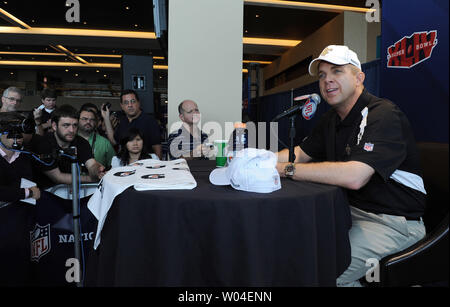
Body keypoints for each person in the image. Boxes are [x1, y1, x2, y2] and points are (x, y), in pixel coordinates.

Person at [275, 45, 426, 287]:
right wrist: (256, 159)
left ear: (359, 78)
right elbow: (299, 154)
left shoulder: (383, 114)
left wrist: (287, 170)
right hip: (351, 213)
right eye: (322, 75)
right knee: (296, 252)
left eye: (337, 71)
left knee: (318, 274)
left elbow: (355, 176)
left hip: (393, 223)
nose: (328, 81)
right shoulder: (332, 118)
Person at [33, 104, 106, 189]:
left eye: (75, 125)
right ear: (54, 126)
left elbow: (91, 164)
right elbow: (58, 177)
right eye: (66, 125)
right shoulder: (44, 143)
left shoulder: (81, 142)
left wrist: (97, 171)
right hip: (46, 192)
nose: (71, 130)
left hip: (72, 192)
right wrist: (92, 179)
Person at [101, 89, 162, 159]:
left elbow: (157, 148)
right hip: (125, 163)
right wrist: (106, 118)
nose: (130, 105)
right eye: (126, 103)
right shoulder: (123, 120)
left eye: (133, 102)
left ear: (138, 103)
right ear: (122, 106)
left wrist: (158, 166)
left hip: (145, 163)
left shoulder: (150, 121)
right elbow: (114, 141)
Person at [78, 105, 116, 170]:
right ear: (77, 120)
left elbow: (114, 167)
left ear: (96, 122)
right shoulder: (70, 139)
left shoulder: (104, 143)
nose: (88, 122)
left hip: (97, 179)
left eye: (92, 119)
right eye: (84, 119)